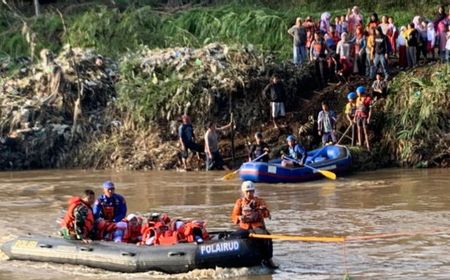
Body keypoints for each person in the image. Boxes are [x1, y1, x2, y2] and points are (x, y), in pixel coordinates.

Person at [231, 181, 274, 268]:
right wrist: (239, 218)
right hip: (244, 227)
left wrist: (263, 210)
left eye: (251, 191)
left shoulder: (259, 201)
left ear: (254, 191)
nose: (249, 193)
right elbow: (234, 216)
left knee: (267, 237)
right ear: (243, 192)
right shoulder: (239, 202)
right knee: (233, 236)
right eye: (247, 191)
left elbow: (266, 215)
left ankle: (268, 259)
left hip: (257, 226)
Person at [355, 86, 373, 151]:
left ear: (361, 92)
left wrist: (369, 118)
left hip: (364, 116)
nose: (357, 93)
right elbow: (357, 109)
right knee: (359, 130)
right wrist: (355, 117)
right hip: (358, 116)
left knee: (365, 131)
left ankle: (368, 146)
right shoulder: (357, 99)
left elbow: (371, 109)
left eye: (357, 92)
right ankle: (360, 144)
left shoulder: (368, 99)